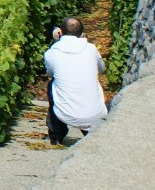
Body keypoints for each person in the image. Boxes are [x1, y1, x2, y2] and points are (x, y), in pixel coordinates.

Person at [44, 17, 108, 145]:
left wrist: (57, 41)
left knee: (53, 84)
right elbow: (102, 69)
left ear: (61, 32)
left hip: (64, 114)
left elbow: (50, 73)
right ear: (82, 33)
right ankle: (89, 133)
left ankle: (56, 134)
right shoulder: (91, 49)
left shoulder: (52, 52)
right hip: (94, 115)